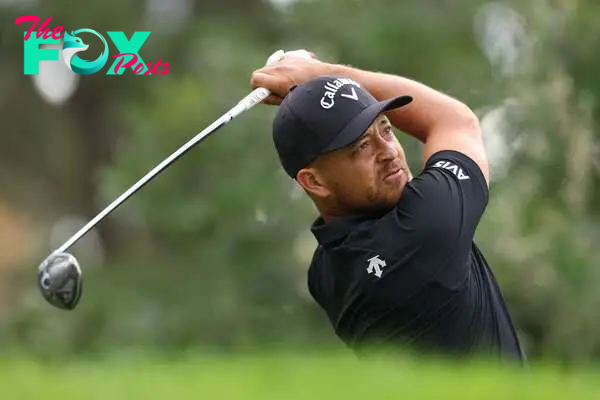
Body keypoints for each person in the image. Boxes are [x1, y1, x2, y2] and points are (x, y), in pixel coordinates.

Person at [250, 51, 526, 363]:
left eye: (386, 129)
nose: (389, 152)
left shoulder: (325, 270)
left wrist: (325, 85)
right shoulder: (425, 226)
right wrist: (321, 72)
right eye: (361, 147)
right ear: (314, 183)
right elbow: (454, 121)